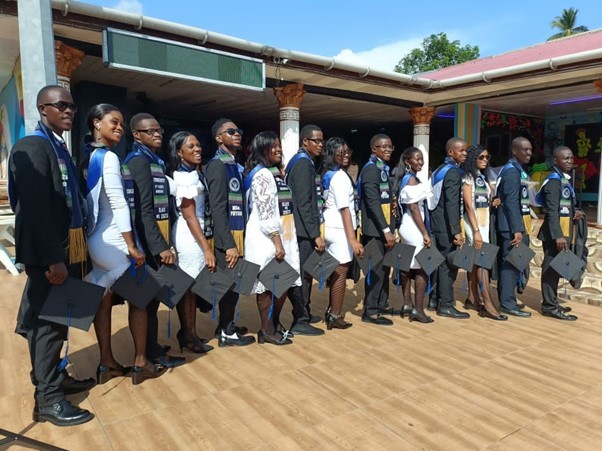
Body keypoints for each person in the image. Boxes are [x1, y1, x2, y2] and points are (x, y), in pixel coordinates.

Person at [9, 85, 93, 426]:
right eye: (61, 105)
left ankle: (54, 378)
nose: (69, 111)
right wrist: (52, 258)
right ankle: (48, 399)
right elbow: (33, 209)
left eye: (72, 106)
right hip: (51, 254)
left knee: (59, 322)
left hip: (64, 248)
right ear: (43, 108)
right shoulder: (32, 146)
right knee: (48, 325)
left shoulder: (56, 146)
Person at [83, 104, 168, 385]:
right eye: (113, 122)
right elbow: (119, 204)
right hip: (113, 239)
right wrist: (132, 246)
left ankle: (107, 362)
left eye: (121, 123)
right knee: (141, 298)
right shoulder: (107, 158)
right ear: (97, 124)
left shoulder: (90, 156)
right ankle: (141, 361)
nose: (119, 127)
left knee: (103, 299)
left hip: (96, 239)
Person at [125, 113, 186, 367]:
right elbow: (143, 210)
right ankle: (149, 353)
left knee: (151, 302)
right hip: (145, 244)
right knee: (145, 301)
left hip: (154, 239)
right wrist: (160, 247)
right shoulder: (139, 162)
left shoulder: (154, 161)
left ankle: (153, 349)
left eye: (158, 130)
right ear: (137, 135)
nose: (157, 134)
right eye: (150, 131)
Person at [244, 131, 301, 344]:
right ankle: (266, 330)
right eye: (273, 146)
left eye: (279, 145)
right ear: (262, 150)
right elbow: (266, 212)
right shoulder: (262, 175)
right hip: (265, 236)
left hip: (281, 233)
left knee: (283, 281)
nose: (278, 149)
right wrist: (277, 241)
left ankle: (273, 325)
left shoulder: (275, 172)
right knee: (268, 284)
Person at [205, 118, 255, 346]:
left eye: (239, 131)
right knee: (229, 285)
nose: (237, 134)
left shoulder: (234, 164)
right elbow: (217, 207)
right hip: (228, 237)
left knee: (234, 284)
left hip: (238, 233)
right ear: (218, 138)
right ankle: (226, 332)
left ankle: (227, 324)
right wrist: (228, 244)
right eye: (231, 131)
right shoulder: (217, 165)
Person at [169, 131, 216, 351]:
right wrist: (206, 248)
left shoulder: (194, 174)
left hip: (197, 232)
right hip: (189, 237)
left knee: (194, 286)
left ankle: (190, 332)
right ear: (179, 152)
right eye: (191, 146)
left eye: (198, 145)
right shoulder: (184, 177)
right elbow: (189, 215)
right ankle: (188, 336)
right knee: (188, 286)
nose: (197, 149)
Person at [284, 124, 326, 336]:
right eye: (315, 140)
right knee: (303, 274)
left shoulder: (304, 161)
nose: (320, 144)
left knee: (306, 273)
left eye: (321, 141)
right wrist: (315, 234)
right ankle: (300, 319)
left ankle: (305, 312)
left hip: (302, 228)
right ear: (305, 142)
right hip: (301, 231)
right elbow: (303, 203)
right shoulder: (302, 164)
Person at [321, 137, 363, 329]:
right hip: (339, 229)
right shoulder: (338, 176)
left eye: (348, 151)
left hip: (334, 227)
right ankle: (335, 315)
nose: (345, 155)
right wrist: (353, 239)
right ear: (332, 154)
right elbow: (344, 209)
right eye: (340, 152)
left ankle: (332, 310)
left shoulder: (331, 173)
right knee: (340, 272)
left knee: (337, 271)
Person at [460, 145, 506, 321]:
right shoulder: (467, 177)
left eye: (487, 157)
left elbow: (482, 201)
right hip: (474, 224)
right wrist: (476, 231)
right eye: (481, 157)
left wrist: (493, 201)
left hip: (485, 220)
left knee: (476, 261)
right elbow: (469, 205)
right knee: (482, 261)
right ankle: (487, 303)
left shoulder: (483, 178)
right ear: (473, 158)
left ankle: (472, 298)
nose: (485, 160)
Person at [536, 146, 582, 320]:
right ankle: (549, 306)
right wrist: (558, 235)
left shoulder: (563, 179)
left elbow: (564, 207)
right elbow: (552, 211)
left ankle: (553, 303)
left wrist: (574, 212)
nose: (570, 161)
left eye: (571, 158)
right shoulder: (553, 182)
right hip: (553, 234)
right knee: (550, 269)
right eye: (566, 158)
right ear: (556, 161)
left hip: (562, 230)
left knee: (557, 269)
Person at [357, 133, 396, 325]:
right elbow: (373, 203)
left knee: (384, 269)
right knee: (375, 270)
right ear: (374, 149)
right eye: (384, 146)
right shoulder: (371, 169)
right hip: (375, 230)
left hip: (385, 228)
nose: (388, 149)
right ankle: (370, 311)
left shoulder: (382, 169)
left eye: (390, 146)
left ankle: (381, 303)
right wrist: (386, 229)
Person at [429, 137, 469, 319]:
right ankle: (446, 305)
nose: (465, 154)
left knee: (439, 264)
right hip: (446, 227)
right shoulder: (452, 172)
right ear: (451, 152)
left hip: (436, 224)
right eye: (461, 150)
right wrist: (456, 231)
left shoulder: (439, 170)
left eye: (466, 150)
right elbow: (452, 204)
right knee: (448, 267)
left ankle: (434, 300)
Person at [494, 137, 533, 318]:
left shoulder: (517, 170)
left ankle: (508, 300)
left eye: (530, 150)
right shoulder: (511, 172)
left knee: (514, 264)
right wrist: (517, 229)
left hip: (515, 224)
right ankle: (508, 303)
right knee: (510, 265)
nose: (528, 153)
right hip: (511, 227)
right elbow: (510, 202)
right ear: (514, 151)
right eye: (524, 150)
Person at [395, 147, 434, 323]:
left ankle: (407, 305)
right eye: (417, 159)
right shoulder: (410, 179)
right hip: (414, 228)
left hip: (406, 226)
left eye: (422, 159)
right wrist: (425, 233)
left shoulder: (405, 179)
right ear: (407, 161)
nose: (420, 162)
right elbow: (413, 208)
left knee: (406, 266)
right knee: (422, 268)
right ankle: (418, 310)